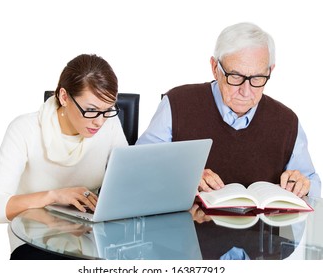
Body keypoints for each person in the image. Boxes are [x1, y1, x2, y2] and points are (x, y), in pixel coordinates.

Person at [136, 22, 321, 198]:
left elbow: (313, 183)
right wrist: (182, 177)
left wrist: (303, 185)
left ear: (270, 71)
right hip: (187, 228)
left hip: (262, 230)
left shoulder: (286, 121)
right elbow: (139, 167)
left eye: (257, 78)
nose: (245, 91)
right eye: (235, 76)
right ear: (215, 68)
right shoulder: (177, 103)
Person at [0, 54, 128, 259]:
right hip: (35, 239)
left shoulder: (109, 126)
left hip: (92, 237)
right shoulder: (24, 129)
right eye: (91, 110)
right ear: (64, 97)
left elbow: (129, 181)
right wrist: (54, 196)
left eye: (107, 110)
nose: (99, 122)